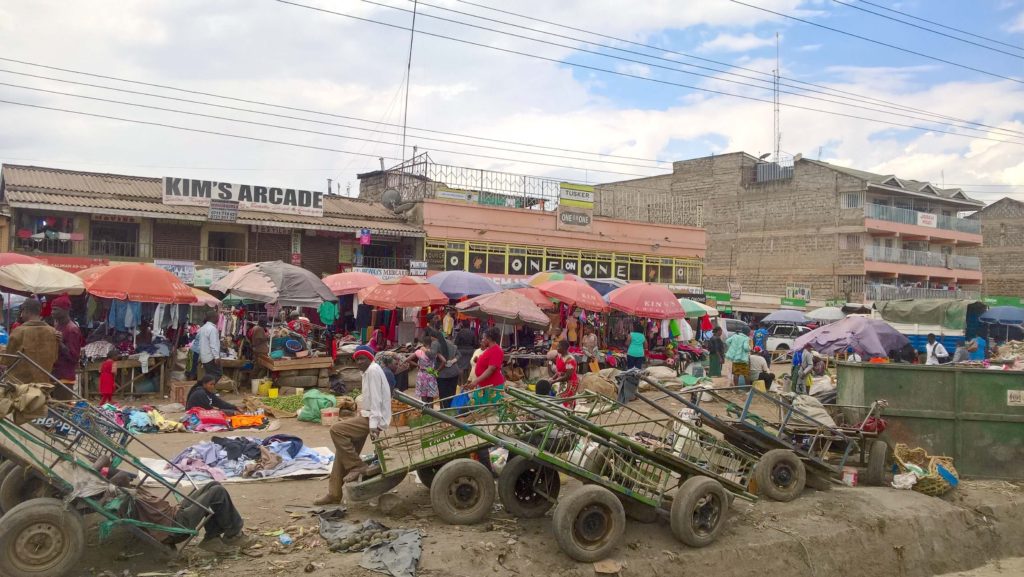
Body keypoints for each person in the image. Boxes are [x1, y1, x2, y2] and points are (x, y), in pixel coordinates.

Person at [315, 348, 391, 505]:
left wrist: (373, 425)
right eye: (357, 359)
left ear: (370, 359)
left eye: (363, 358)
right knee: (342, 452)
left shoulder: (373, 371)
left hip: (374, 418)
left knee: (336, 430)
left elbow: (376, 400)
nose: (360, 362)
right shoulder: (368, 372)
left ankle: (357, 466)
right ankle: (334, 494)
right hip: (367, 415)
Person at [5, 299, 59, 384]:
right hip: (43, 384)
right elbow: (55, 358)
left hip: (21, 386)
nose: (21, 315)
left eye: (22, 311)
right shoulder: (52, 332)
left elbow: (7, 359)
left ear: (26, 311)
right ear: (40, 311)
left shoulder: (19, 331)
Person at [50, 295, 82, 400]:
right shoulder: (57, 326)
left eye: (55, 309)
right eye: (52, 309)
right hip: (55, 374)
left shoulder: (72, 329)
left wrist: (60, 343)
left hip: (65, 377)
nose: (52, 312)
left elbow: (74, 357)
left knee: (62, 409)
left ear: (65, 310)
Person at [466, 326, 505, 390]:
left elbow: (491, 369)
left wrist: (476, 381)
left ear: (489, 339)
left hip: (492, 386)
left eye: (483, 338)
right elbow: (487, 363)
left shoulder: (496, 350)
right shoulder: (489, 349)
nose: (482, 340)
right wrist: (478, 361)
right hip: (485, 385)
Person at [412, 335, 441, 405]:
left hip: (422, 376)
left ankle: (424, 413)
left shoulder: (419, 352)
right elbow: (444, 361)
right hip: (431, 375)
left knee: (423, 397)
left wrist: (418, 365)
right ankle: (431, 414)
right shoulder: (434, 353)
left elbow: (407, 360)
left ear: (424, 343)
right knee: (431, 397)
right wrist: (437, 370)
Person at [551, 340, 580, 406]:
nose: (557, 348)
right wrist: (552, 378)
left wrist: (554, 381)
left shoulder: (570, 359)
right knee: (560, 399)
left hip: (571, 383)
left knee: (566, 401)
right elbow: (559, 372)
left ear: (564, 348)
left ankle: (568, 414)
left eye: (559, 346)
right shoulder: (559, 355)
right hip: (563, 381)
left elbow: (568, 376)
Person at [435, 334, 461, 408]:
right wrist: (453, 361)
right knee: (452, 393)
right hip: (454, 373)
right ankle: (450, 410)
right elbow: (459, 355)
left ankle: (444, 411)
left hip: (442, 373)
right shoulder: (451, 344)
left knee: (443, 395)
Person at [197, 310, 222, 382]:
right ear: (213, 318)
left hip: (204, 357)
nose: (218, 319)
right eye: (217, 317)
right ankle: (205, 388)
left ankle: (207, 390)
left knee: (209, 375)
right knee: (218, 374)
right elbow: (213, 344)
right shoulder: (212, 329)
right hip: (210, 357)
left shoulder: (203, 327)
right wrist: (216, 357)